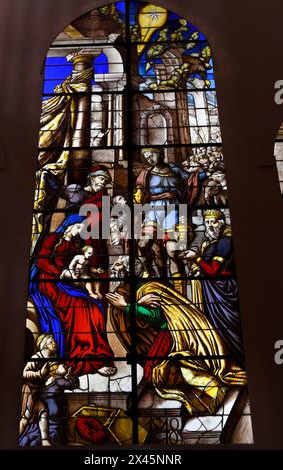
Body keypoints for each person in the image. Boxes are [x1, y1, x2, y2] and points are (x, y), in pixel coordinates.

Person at [107, 280, 247, 416]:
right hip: (170, 332)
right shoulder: (149, 289)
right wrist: (136, 304)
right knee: (156, 369)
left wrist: (126, 306)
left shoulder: (149, 290)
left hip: (171, 334)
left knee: (158, 370)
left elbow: (155, 317)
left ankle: (212, 390)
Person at [30, 222, 116, 377]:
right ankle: (86, 357)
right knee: (80, 307)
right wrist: (60, 274)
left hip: (66, 283)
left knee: (94, 307)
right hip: (50, 282)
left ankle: (97, 355)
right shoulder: (54, 239)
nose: (79, 231)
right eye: (77, 227)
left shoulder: (77, 245)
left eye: (81, 230)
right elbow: (41, 261)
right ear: (69, 226)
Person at [134, 148, 207, 277]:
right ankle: (149, 272)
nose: (149, 159)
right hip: (153, 209)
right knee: (143, 244)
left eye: (151, 155)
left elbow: (190, 179)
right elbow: (139, 192)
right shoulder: (146, 173)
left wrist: (201, 173)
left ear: (160, 154)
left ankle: (178, 284)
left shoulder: (173, 169)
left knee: (172, 251)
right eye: (147, 157)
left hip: (173, 208)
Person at [183, 209, 244, 364]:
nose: (209, 226)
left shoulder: (225, 242)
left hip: (222, 291)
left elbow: (213, 271)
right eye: (207, 222)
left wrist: (196, 259)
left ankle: (236, 364)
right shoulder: (212, 243)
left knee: (226, 329)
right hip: (213, 291)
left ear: (221, 224)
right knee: (218, 329)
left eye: (213, 222)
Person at [19, 334, 58, 445]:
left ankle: (45, 440)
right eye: (51, 342)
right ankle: (12, 440)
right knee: (26, 417)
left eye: (54, 341)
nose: (54, 343)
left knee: (43, 412)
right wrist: (40, 373)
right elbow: (25, 373)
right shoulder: (37, 357)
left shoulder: (53, 359)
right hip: (29, 390)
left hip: (39, 392)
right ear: (43, 345)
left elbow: (52, 375)